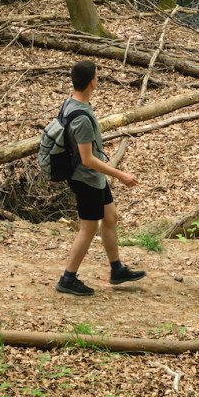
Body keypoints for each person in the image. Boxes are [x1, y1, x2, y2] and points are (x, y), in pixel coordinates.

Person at [55, 60, 146, 296]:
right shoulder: (82, 118)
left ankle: (117, 269)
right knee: (88, 228)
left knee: (110, 216)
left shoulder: (72, 102)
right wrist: (120, 174)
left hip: (94, 178)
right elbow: (87, 159)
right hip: (85, 178)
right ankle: (68, 278)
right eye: (97, 76)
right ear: (92, 82)